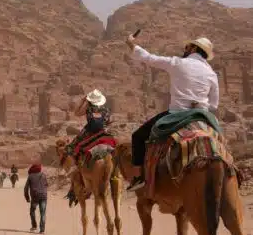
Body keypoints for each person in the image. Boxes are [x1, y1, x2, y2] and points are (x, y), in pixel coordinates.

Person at [125, 35, 219, 191]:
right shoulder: (211, 74)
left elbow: (149, 58)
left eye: (187, 46)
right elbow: (214, 104)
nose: (185, 49)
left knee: (138, 136)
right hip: (202, 116)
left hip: (176, 114)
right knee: (219, 140)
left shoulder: (177, 63)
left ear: (194, 48)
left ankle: (139, 177)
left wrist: (131, 44)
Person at [65, 89, 112, 157]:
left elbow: (76, 113)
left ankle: (72, 156)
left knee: (73, 145)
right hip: (103, 131)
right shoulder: (106, 110)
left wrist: (83, 101)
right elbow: (108, 121)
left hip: (89, 131)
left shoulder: (88, 109)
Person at [23, 163, 48, 233]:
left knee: (32, 211)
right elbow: (46, 185)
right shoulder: (43, 175)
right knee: (43, 213)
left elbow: (25, 188)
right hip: (43, 196)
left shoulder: (30, 176)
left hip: (35, 197)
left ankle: (34, 226)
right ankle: (42, 230)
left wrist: (27, 198)